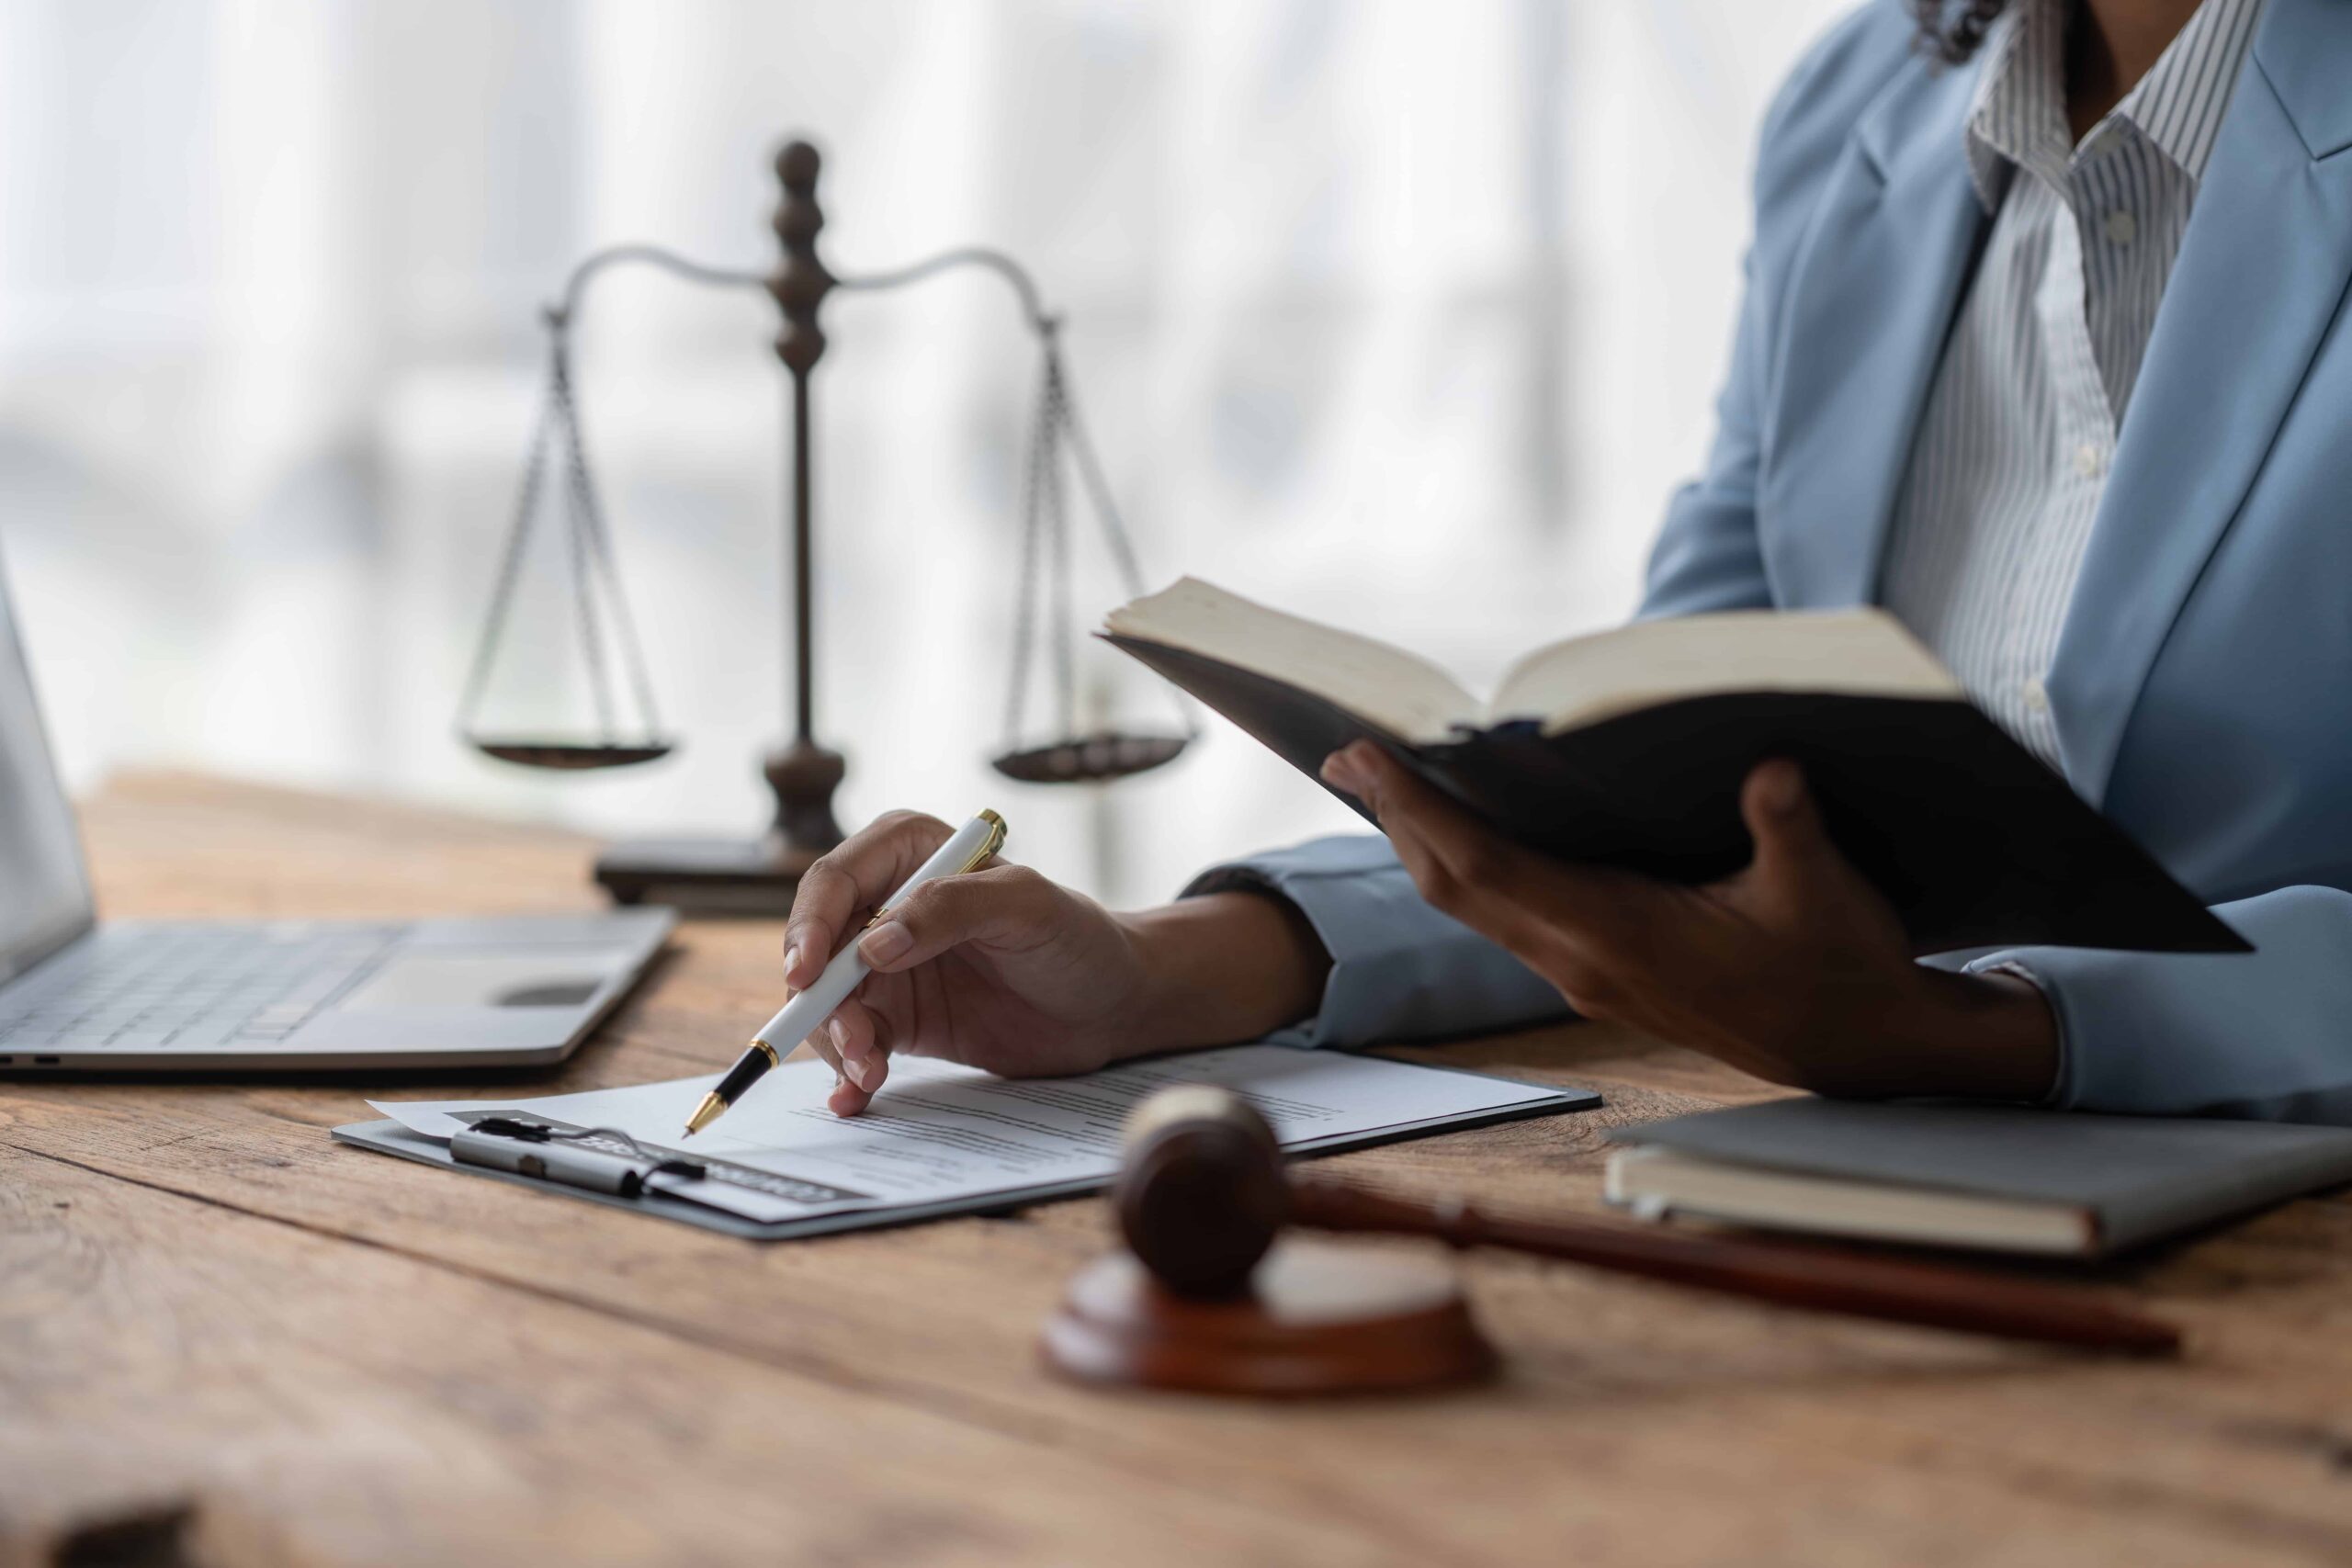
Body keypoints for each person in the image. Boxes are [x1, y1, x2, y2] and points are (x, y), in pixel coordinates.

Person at [787, 0, 2352, 1125]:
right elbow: (1660, 793)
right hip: (1827, 1175)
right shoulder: (1855, 108)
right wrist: (1158, 970)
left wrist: (1982, 1032)